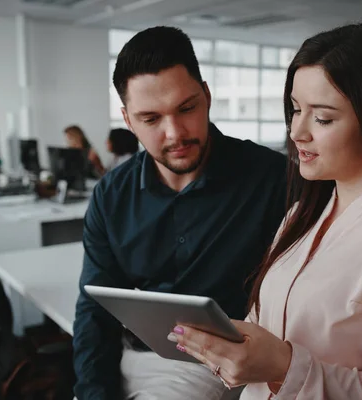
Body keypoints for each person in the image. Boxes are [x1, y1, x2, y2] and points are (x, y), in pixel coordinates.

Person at [168, 22, 362, 399]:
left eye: (322, 118)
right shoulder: (302, 214)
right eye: (294, 110)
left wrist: (282, 366)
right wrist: (232, 348)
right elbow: (270, 328)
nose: (296, 131)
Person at [72, 26, 287, 400]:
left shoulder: (273, 179)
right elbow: (95, 311)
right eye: (151, 119)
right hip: (131, 355)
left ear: (206, 95)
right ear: (128, 120)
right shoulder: (111, 194)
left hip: (214, 366)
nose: (174, 133)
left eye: (186, 108)